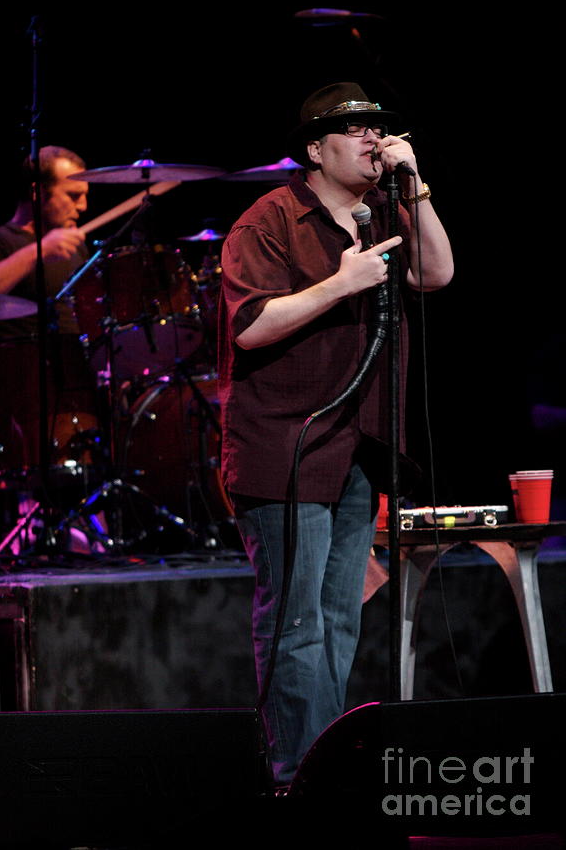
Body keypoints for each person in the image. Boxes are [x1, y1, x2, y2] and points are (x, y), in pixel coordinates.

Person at [217, 82, 454, 787]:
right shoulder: (270, 220)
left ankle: (325, 772)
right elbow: (249, 326)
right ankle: (297, 777)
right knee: (296, 622)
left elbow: (436, 272)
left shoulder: (386, 208)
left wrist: (416, 190)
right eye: (353, 131)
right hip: (284, 446)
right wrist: (339, 284)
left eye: (377, 129)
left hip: (357, 447)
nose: (370, 140)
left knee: (338, 619)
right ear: (315, 150)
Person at [0, 146, 96, 470]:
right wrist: (36, 252)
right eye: (73, 194)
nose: (84, 206)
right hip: (20, 386)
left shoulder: (73, 245)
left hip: (77, 374)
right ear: (38, 192)